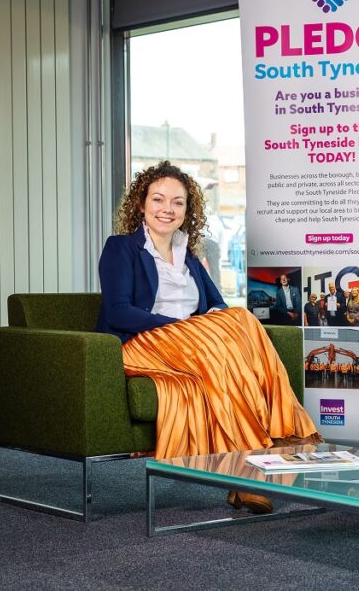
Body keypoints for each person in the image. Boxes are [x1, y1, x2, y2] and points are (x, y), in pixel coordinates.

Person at [95, 161, 321, 514]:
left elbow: (217, 305)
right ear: (141, 204)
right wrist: (181, 327)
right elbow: (117, 311)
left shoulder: (191, 259)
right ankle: (267, 454)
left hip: (195, 346)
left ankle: (251, 467)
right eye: (158, 199)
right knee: (224, 339)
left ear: (188, 210)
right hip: (141, 345)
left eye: (177, 202)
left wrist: (210, 329)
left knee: (240, 320)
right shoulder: (121, 248)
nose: (167, 209)